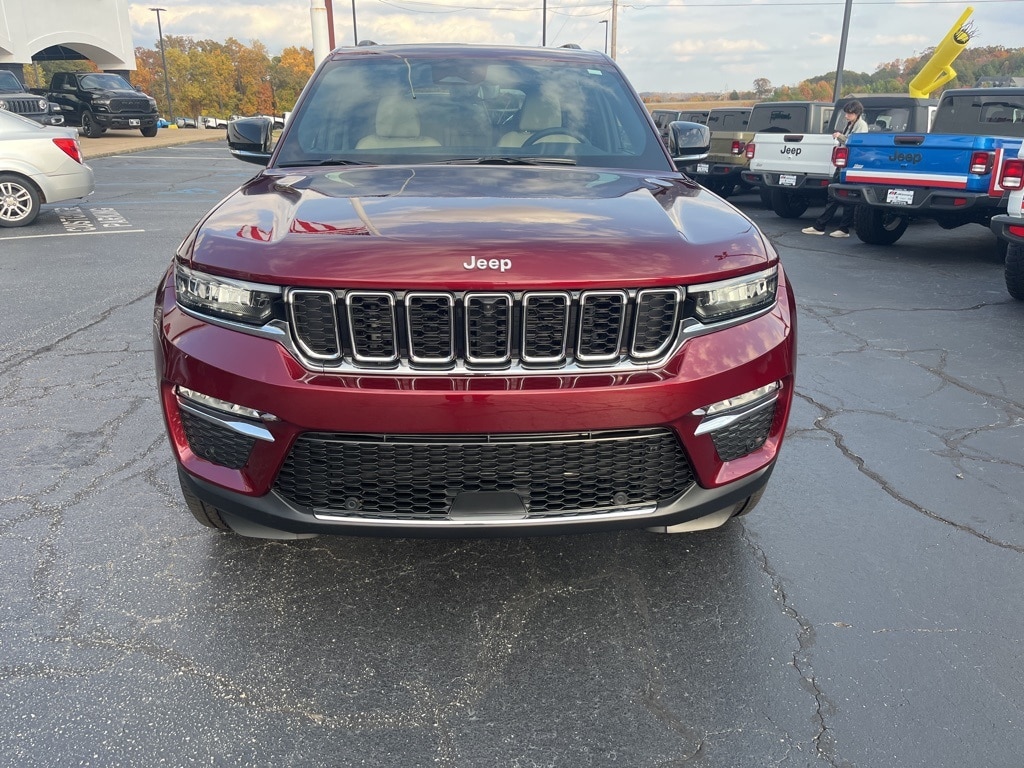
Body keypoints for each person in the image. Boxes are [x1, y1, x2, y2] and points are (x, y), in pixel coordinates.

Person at [802, 100, 869, 238]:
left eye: (849, 114)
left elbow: (856, 142)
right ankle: (826, 226)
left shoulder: (861, 125)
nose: (846, 116)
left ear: (856, 114)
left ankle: (835, 227)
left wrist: (840, 136)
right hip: (843, 164)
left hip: (851, 164)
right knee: (834, 194)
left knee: (846, 196)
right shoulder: (851, 124)